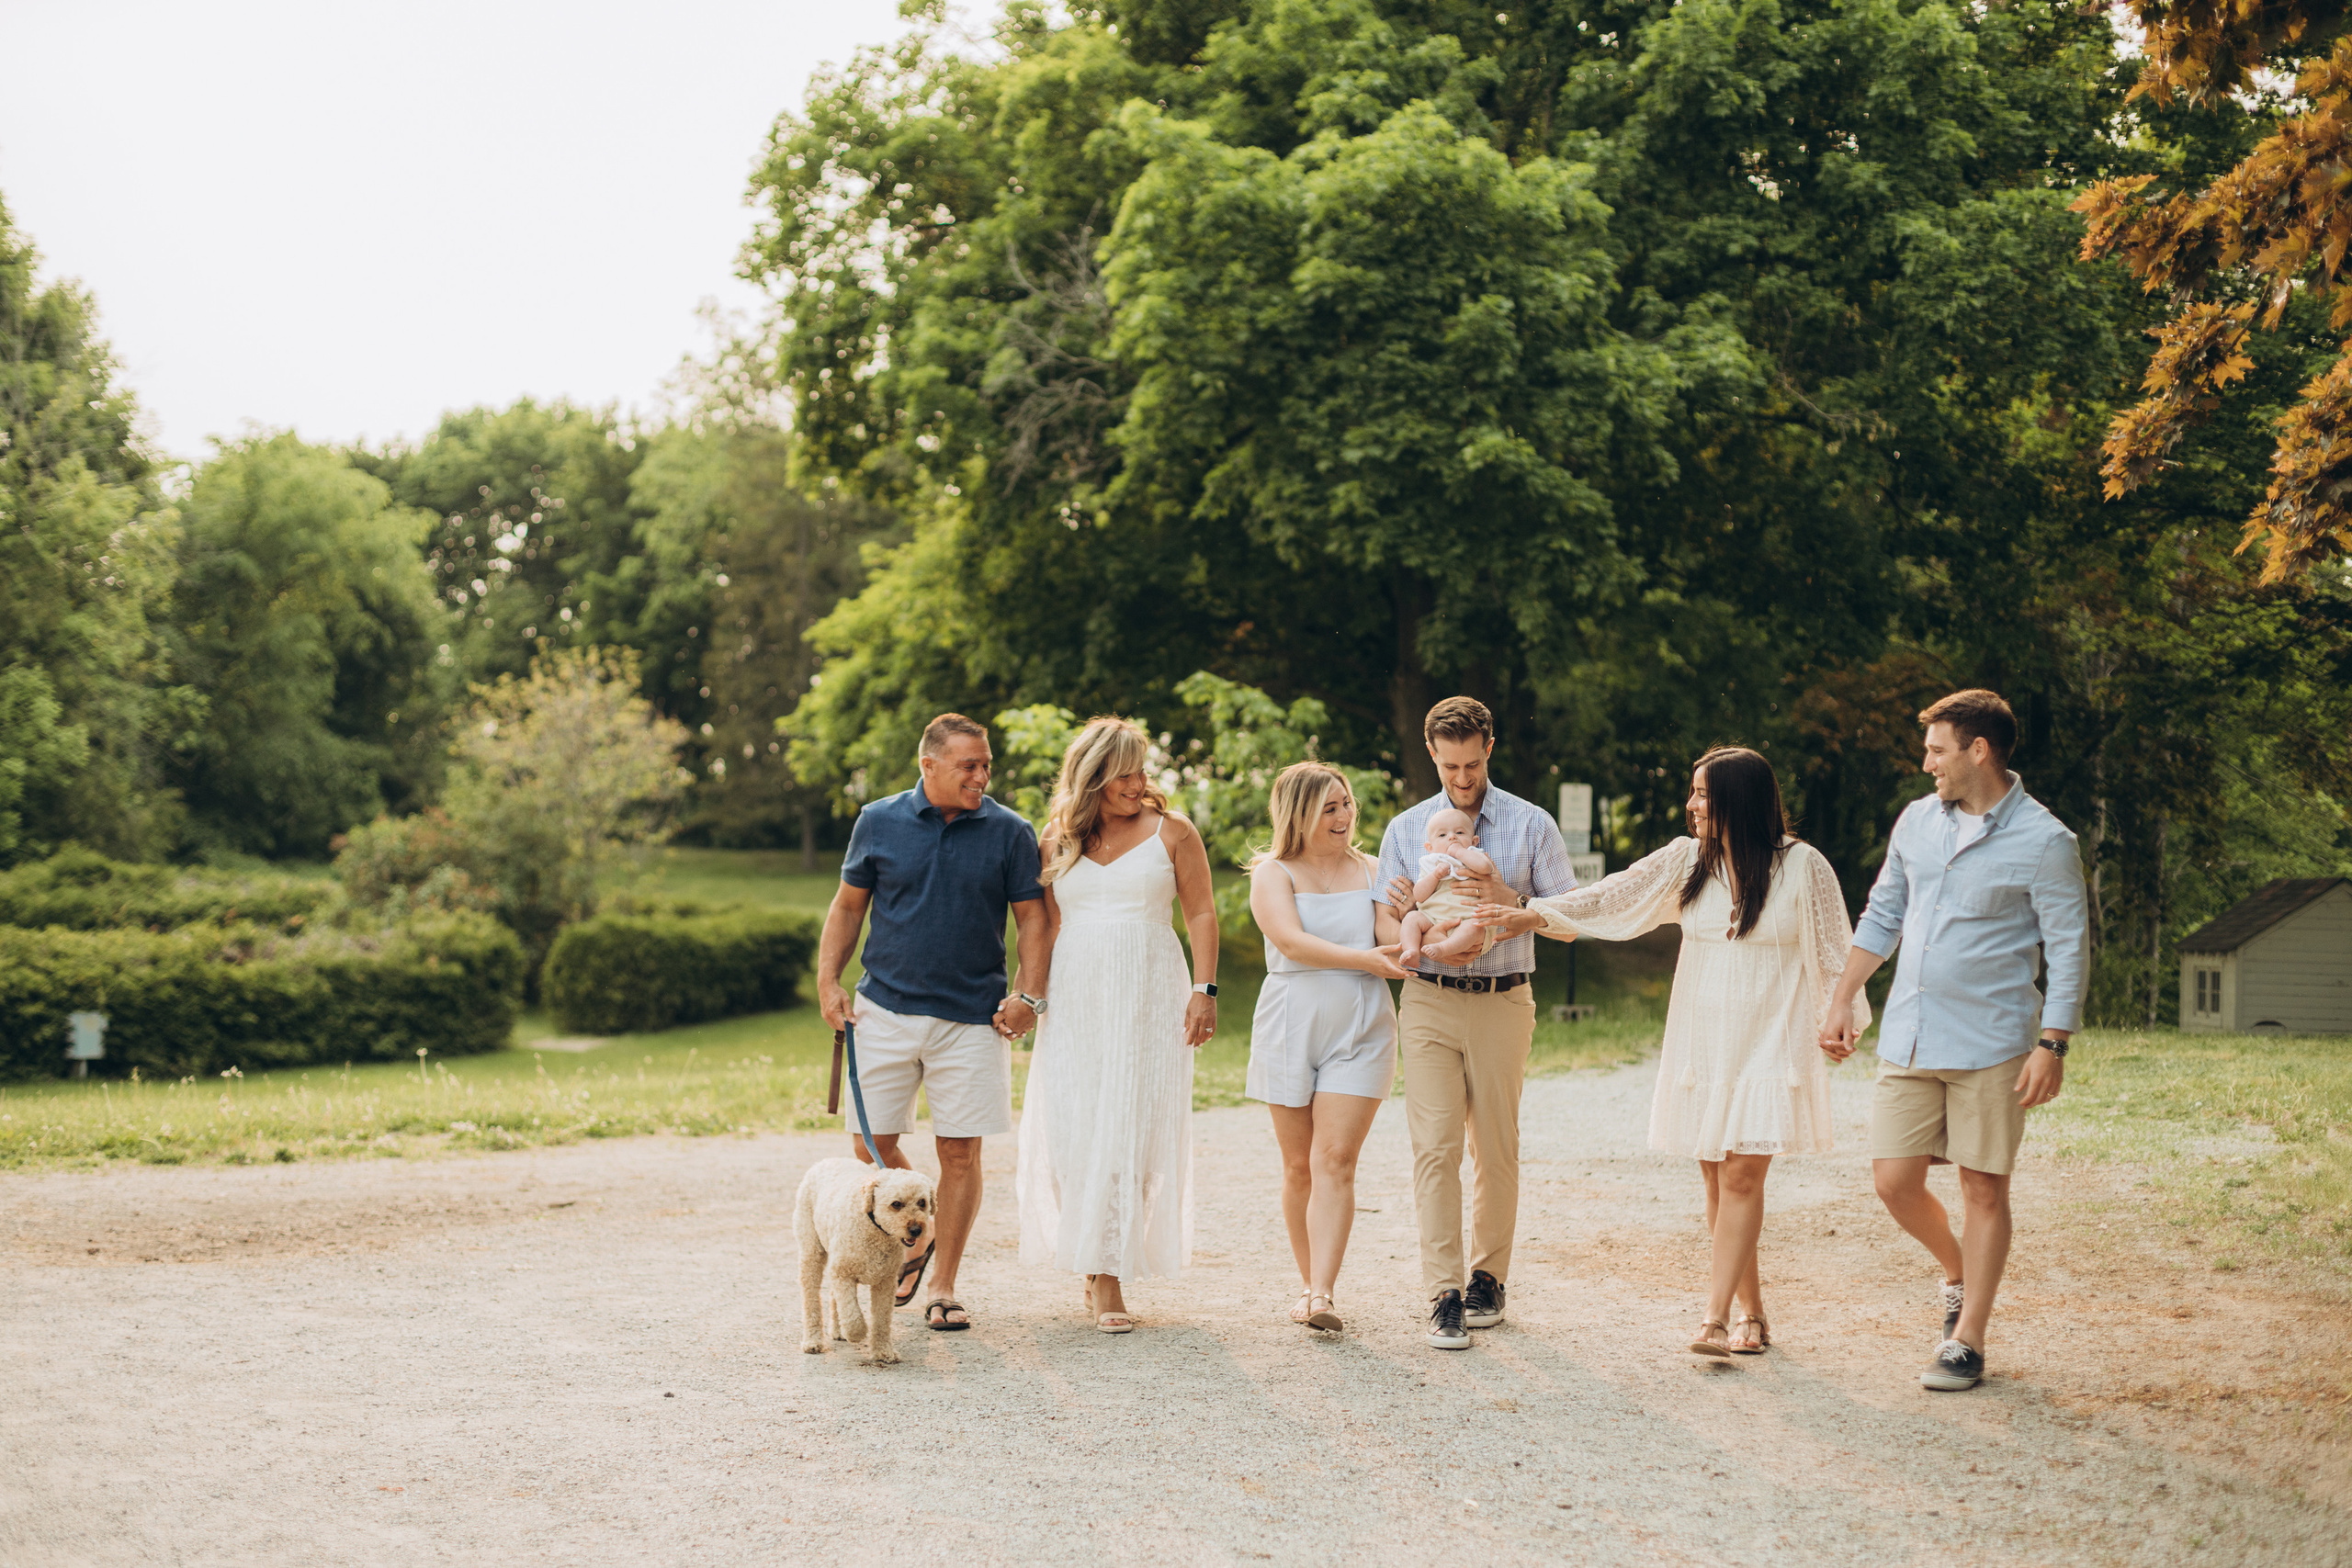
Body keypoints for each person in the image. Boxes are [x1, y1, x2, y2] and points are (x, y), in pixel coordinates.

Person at [1485, 748, 1867, 1357]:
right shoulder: (1687, 860)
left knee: (1741, 1174)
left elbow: (1833, 948)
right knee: (1718, 1178)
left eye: (1703, 794)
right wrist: (1534, 915)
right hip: (1705, 1039)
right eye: (1693, 792)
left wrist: (1840, 1015)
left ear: (1739, 799)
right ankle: (1752, 1312)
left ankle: (1713, 1318)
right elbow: (1612, 896)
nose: (1692, 805)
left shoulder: (1803, 866)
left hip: (1772, 1036)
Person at [1819, 689, 2089, 1393]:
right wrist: (1843, 996)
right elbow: (1883, 913)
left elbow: (2069, 947)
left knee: (1983, 1187)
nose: (1927, 762)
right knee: (1893, 1180)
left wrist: (2053, 1042)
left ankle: (1967, 1338)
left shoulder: (2046, 841)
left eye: (1937, 750)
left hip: (1992, 1042)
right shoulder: (1916, 821)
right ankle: (1958, 1270)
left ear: (1979, 750)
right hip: (1909, 1033)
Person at [815, 713, 1052, 1335]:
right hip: (883, 1009)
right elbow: (848, 906)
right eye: (968, 765)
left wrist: (1030, 995)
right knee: (869, 1144)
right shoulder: (878, 820)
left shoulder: (1010, 831)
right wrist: (828, 980)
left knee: (961, 1152)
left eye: (986, 765)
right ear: (929, 765)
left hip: (973, 1020)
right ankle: (916, 1234)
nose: (981, 776)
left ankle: (943, 1283)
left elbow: (1033, 919)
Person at [1376, 697, 1577, 1350]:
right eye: (1449, 765)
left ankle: (1488, 1278)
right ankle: (1443, 1293)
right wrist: (1432, 942)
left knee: (1495, 1145)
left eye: (1471, 763)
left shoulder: (1531, 824)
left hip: (1503, 999)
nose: (1461, 778)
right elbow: (1385, 921)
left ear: (1489, 748)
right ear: (1432, 754)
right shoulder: (1406, 829)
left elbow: (1569, 919)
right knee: (1434, 1146)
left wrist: (1508, 902)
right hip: (1429, 1000)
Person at [1016, 716, 1220, 1333]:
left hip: (1150, 992)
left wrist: (1204, 989)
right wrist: (1029, 997)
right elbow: (1047, 927)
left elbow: (1201, 912)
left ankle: (1108, 1273)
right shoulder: (1057, 838)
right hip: (1078, 995)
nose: (1136, 784)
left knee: (1134, 1126)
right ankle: (1094, 1253)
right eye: (1122, 774)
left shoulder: (1173, 831)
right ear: (1092, 777)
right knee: (1076, 1126)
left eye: (1140, 771)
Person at [1246, 761, 1409, 1335]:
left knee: (1335, 1159)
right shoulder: (1272, 873)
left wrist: (1419, 920)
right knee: (1299, 1167)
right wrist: (1364, 959)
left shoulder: (1375, 870)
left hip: (1362, 1026)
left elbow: (1390, 937)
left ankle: (1322, 1293)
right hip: (1289, 1022)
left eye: (1347, 804)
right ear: (1299, 814)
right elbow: (1291, 942)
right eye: (1329, 808)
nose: (1344, 816)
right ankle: (1305, 1281)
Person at [1396, 807, 1498, 966]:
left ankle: (1443, 948)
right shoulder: (1431, 863)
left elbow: (1486, 868)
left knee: (1475, 927)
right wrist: (1435, 876)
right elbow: (1419, 896)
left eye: (1459, 833)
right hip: (1432, 919)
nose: (1452, 837)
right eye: (1442, 835)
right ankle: (1412, 951)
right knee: (1411, 918)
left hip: (1467, 919)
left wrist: (1459, 852)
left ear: (1473, 841)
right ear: (1430, 847)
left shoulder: (1473, 855)